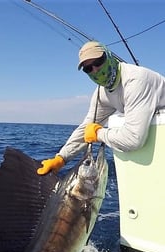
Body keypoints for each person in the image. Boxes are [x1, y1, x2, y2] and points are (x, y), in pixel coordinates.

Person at [37, 40, 165, 175]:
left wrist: (99, 134)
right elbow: (87, 127)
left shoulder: (136, 81)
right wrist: (61, 158)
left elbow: (133, 139)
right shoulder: (101, 93)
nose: (95, 70)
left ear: (109, 56)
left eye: (98, 62)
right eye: (88, 68)